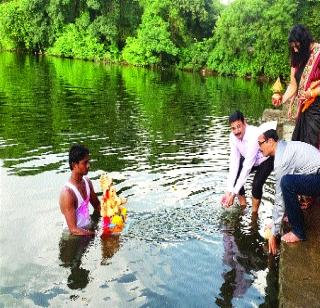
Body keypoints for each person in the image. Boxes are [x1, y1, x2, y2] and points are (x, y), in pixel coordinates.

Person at [258, 129, 320, 255]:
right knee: (288, 182)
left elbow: (280, 196)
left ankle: (298, 232)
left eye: (260, 143)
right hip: (315, 175)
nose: (259, 148)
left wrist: (274, 231)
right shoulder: (284, 147)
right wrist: (277, 221)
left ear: (270, 141)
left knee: (286, 183)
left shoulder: (281, 159)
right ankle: (291, 216)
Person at [272, 24, 320, 149]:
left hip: (317, 110)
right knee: (298, 147)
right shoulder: (297, 56)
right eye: (292, 47)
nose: (295, 50)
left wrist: (312, 93)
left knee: (312, 148)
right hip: (303, 110)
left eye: (297, 46)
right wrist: (282, 99)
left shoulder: (318, 53)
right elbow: (293, 85)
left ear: (305, 41)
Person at [221, 111, 275, 212]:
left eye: (239, 126)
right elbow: (234, 163)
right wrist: (229, 191)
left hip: (265, 158)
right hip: (250, 159)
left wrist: (233, 194)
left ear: (244, 123)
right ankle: (243, 206)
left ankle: (254, 214)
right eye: (233, 128)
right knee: (236, 174)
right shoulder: (232, 137)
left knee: (256, 184)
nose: (236, 131)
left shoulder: (253, 135)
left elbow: (247, 167)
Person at [59, 144, 100, 235]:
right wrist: (96, 234)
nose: (88, 165)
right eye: (85, 163)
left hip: (87, 228)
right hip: (72, 238)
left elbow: (97, 206)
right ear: (74, 165)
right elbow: (73, 230)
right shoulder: (68, 193)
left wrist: (112, 215)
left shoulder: (87, 182)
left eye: (88, 161)